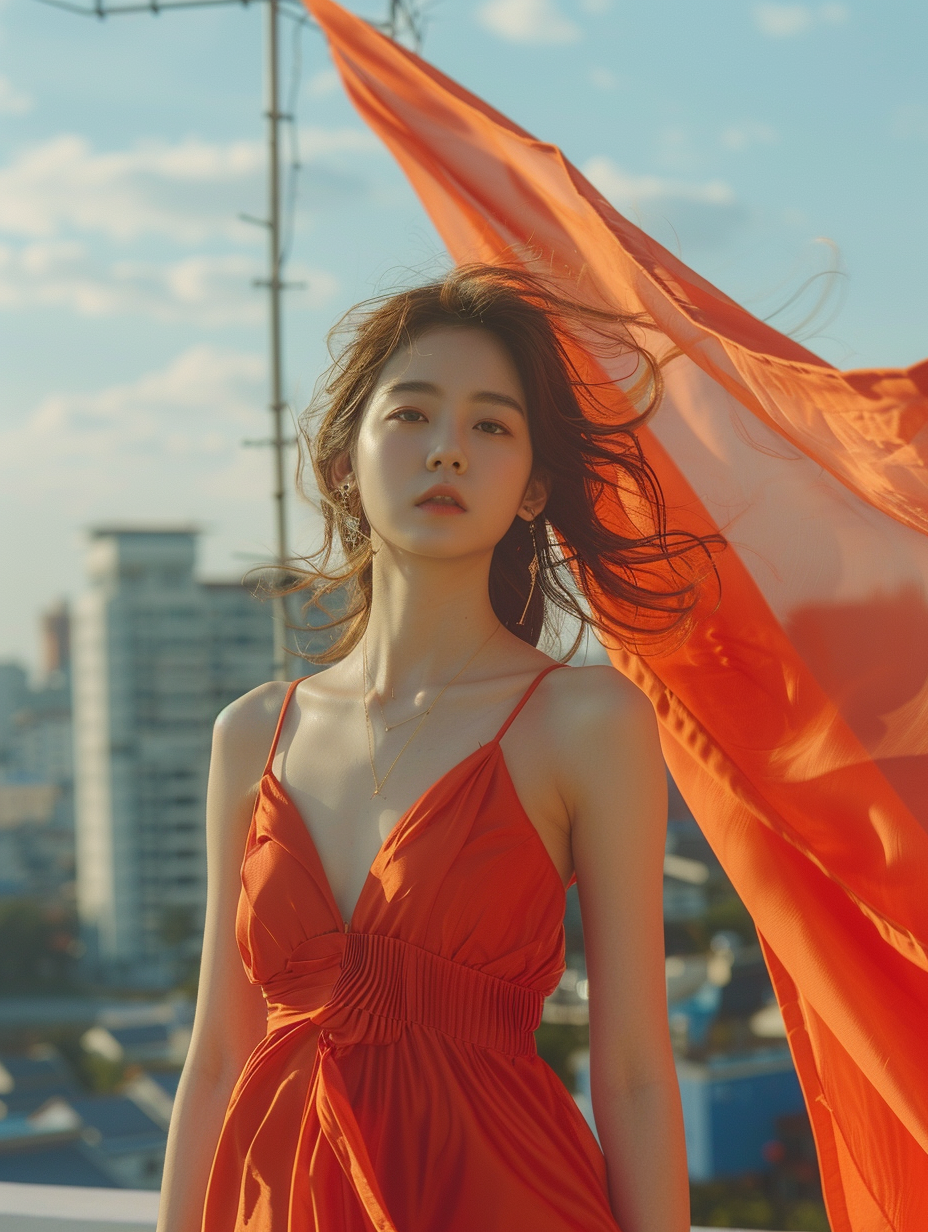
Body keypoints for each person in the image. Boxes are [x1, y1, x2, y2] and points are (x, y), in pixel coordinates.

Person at [157, 265, 717, 1232]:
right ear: (345, 462)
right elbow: (215, 1058)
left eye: (491, 426)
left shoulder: (586, 723)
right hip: (276, 1202)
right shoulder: (254, 732)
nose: (448, 452)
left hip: (505, 1197)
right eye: (411, 415)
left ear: (534, 486)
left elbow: (628, 1070)